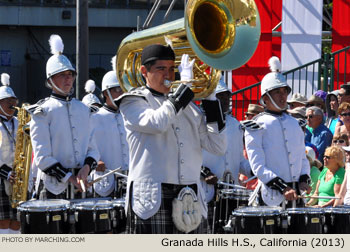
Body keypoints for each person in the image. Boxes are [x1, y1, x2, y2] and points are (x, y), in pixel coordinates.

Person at [116, 44, 226, 234]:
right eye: (161, 69)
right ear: (144, 71)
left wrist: (211, 102)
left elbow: (217, 146)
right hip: (153, 197)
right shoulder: (133, 101)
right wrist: (183, 90)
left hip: (190, 196)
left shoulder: (189, 108)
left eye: (171, 69)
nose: (168, 75)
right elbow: (157, 123)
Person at [29, 34, 99, 199]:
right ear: (50, 80)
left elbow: (93, 149)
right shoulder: (42, 111)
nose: (68, 78)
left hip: (81, 187)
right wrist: (69, 178)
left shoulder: (84, 109)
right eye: (62, 74)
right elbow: (42, 157)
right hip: (52, 187)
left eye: (71, 74)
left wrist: (86, 168)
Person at [244, 56, 311, 207]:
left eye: (284, 91)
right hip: (271, 196)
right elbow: (258, 166)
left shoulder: (295, 124)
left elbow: (302, 159)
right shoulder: (256, 124)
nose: (282, 96)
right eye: (277, 92)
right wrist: (282, 187)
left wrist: (303, 180)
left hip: (297, 196)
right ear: (265, 98)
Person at [200, 78, 252, 233]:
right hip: (206, 193)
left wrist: (253, 170)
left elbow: (240, 161)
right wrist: (204, 173)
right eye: (219, 97)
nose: (224, 100)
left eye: (226, 97)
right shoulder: (198, 121)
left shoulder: (235, 124)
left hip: (232, 194)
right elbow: (186, 156)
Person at [89, 57, 128, 198]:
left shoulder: (130, 116)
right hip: (104, 180)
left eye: (124, 89)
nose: (122, 94)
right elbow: (85, 147)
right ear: (106, 93)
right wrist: (96, 161)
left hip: (129, 181)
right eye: (118, 90)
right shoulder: (94, 118)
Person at [0, 73, 20, 234]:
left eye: (14, 101)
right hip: (1, 177)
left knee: (17, 221)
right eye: (8, 101)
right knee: (3, 221)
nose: (13, 104)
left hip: (18, 178)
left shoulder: (19, 122)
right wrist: (6, 173)